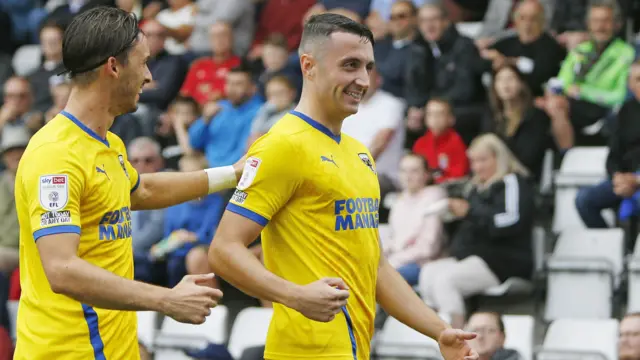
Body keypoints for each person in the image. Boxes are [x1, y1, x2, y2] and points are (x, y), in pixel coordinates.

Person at [208, 13, 478, 360]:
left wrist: (439, 331)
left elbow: (376, 266)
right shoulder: (282, 146)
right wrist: (295, 295)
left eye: (367, 67)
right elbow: (223, 249)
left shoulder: (360, 154)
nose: (362, 80)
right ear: (309, 65)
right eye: (350, 65)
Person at [13, 7, 244, 360]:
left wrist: (232, 173)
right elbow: (61, 270)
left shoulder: (109, 144)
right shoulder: (55, 154)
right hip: (68, 352)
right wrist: (165, 299)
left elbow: (143, 191)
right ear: (114, 66)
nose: (149, 76)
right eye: (144, 62)